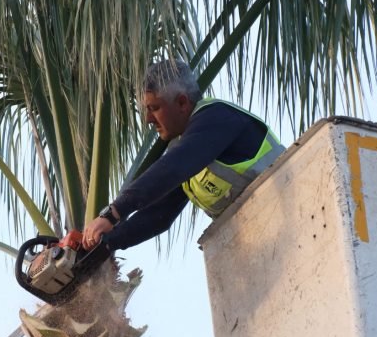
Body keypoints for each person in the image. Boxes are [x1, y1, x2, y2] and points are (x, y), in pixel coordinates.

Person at [82, 59, 285, 251]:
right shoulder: (187, 150)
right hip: (272, 235)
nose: (147, 119)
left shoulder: (217, 117)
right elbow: (158, 215)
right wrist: (106, 244)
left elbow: (173, 167)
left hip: (294, 207)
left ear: (181, 102)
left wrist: (114, 212)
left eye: (154, 108)